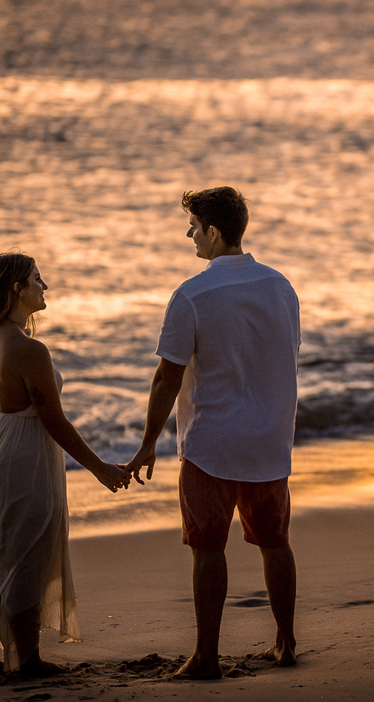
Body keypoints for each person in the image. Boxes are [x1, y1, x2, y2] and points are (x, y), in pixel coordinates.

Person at [126, 186, 301, 680]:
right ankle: (286, 642)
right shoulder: (281, 287)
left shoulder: (192, 294)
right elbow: (285, 356)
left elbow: (167, 377)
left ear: (214, 232)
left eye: (194, 227)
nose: (190, 235)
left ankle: (207, 655)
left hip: (212, 444)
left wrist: (148, 443)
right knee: (275, 541)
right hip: (269, 441)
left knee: (208, 547)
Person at [0, 253, 131, 680]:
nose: (45, 286)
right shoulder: (30, 350)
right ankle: (28, 661)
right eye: (37, 279)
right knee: (28, 554)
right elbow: (53, 421)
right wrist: (100, 468)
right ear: (17, 289)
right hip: (27, 458)